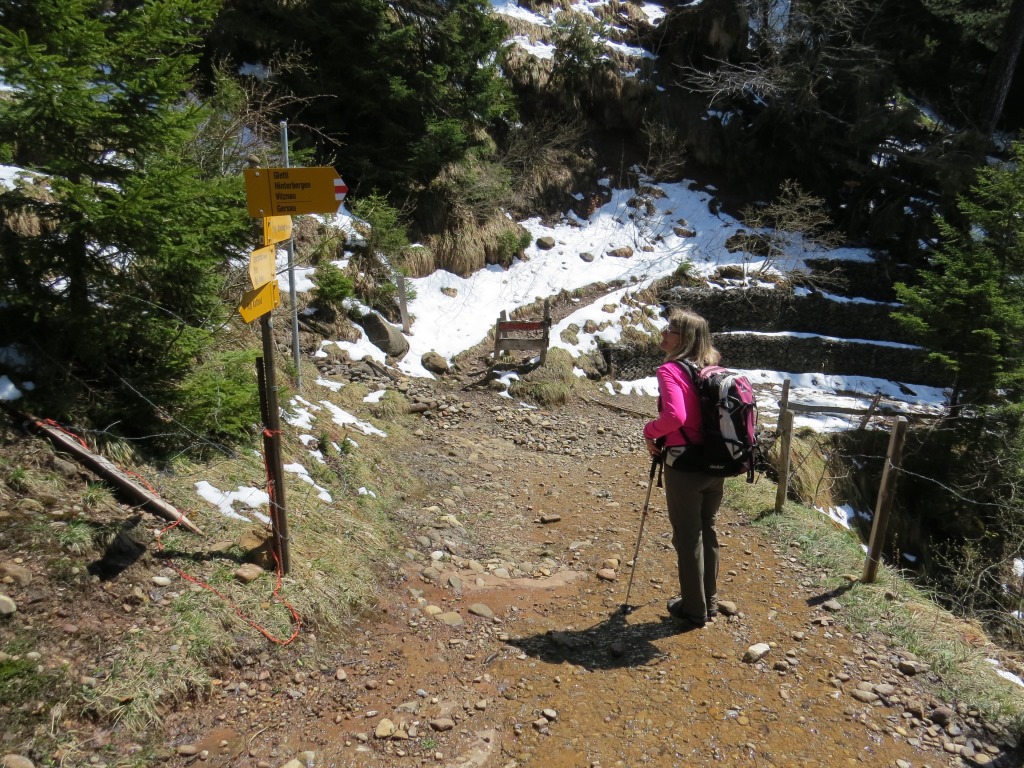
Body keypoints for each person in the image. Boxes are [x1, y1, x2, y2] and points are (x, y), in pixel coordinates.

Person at [642, 309, 724, 630]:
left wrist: (649, 431)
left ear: (685, 338)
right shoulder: (712, 369)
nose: (663, 334)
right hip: (717, 462)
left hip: (685, 465)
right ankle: (709, 601)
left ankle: (693, 610)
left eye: (670, 330)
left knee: (688, 537)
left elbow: (675, 417)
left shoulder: (670, 370)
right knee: (707, 530)